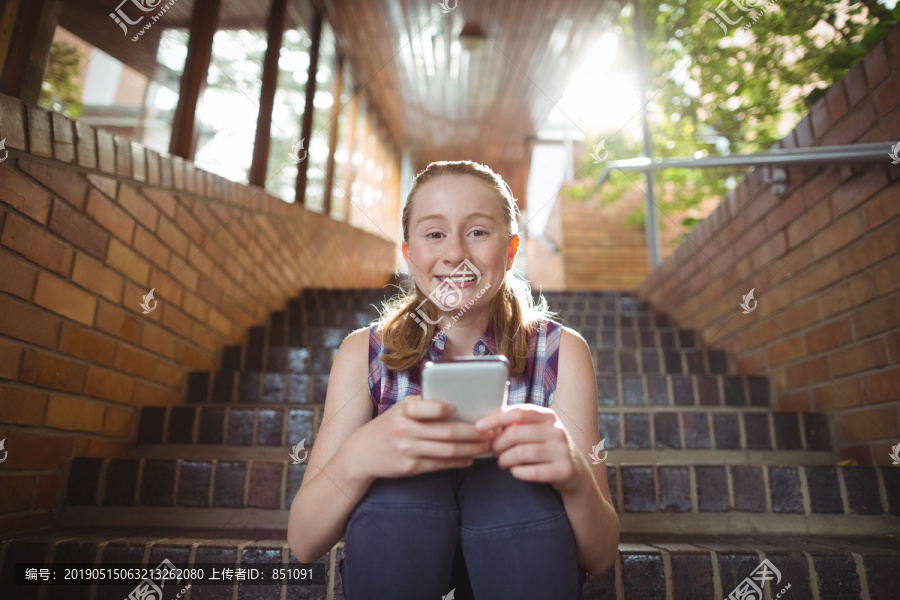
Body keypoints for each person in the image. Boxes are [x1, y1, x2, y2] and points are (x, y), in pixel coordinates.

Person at [287, 160, 619, 599]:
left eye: (478, 232)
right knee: (400, 495)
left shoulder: (561, 351)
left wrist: (576, 475)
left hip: (522, 543)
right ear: (409, 255)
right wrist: (359, 456)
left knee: (512, 489)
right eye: (434, 234)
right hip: (401, 534)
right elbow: (305, 541)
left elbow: (600, 555)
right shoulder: (363, 353)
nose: (455, 253)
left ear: (511, 250)